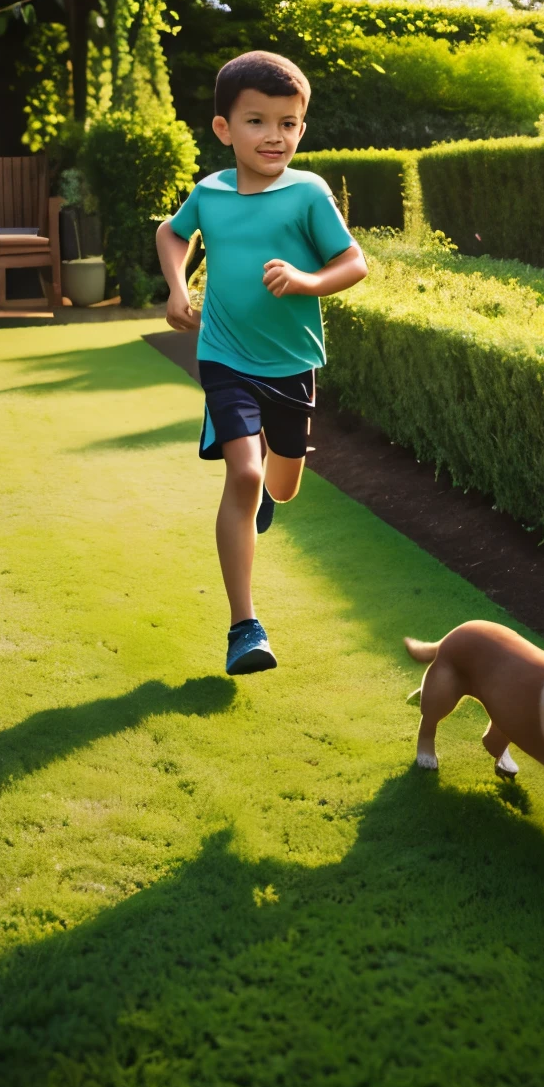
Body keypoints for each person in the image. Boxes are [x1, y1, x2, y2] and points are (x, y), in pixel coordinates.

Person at [156, 51, 368, 676]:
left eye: (289, 123)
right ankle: (244, 628)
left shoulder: (308, 193)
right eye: (257, 121)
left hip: (293, 364)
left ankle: (266, 492)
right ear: (224, 129)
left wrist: (305, 281)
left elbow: (353, 262)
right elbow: (172, 233)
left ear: (302, 127)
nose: (275, 135)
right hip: (224, 357)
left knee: (281, 484)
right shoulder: (210, 193)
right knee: (244, 477)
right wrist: (176, 287)